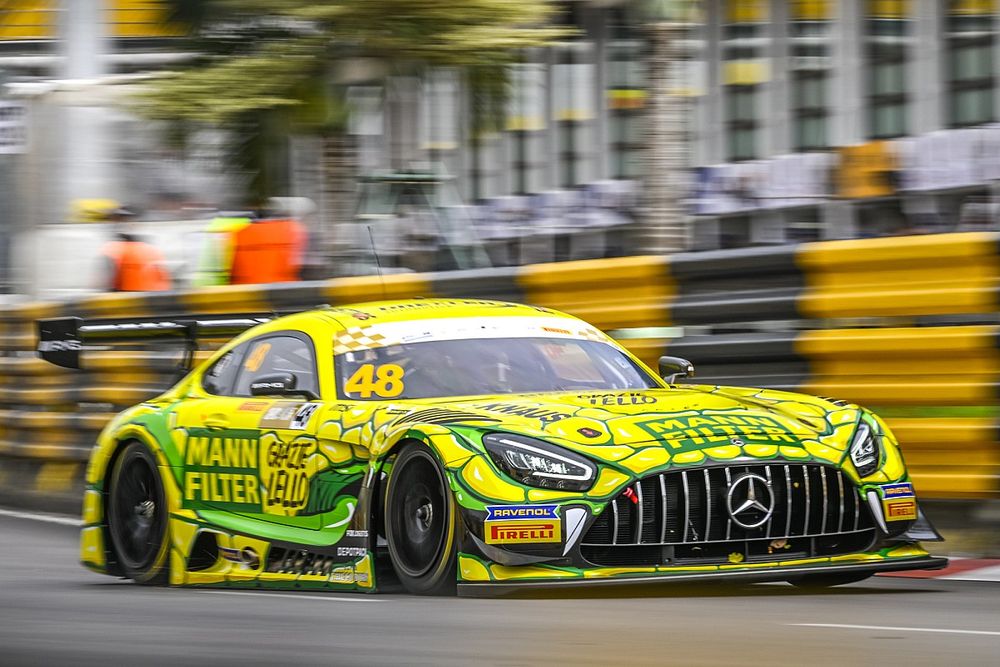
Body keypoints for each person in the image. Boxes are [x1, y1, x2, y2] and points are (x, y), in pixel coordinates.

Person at [100, 231, 172, 292]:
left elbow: (116, 275)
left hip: (130, 291)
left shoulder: (124, 249)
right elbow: (162, 273)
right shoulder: (153, 250)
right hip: (156, 291)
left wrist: (113, 289)